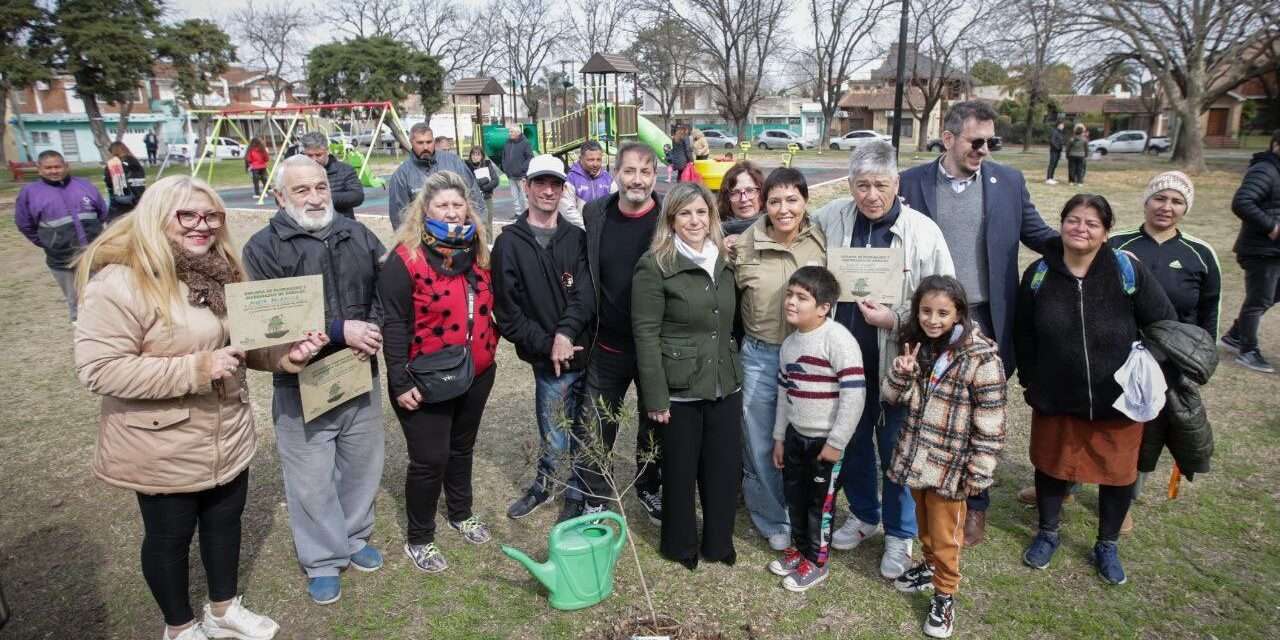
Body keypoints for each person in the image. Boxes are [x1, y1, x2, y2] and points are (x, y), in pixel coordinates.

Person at [73, 174, 328, 640]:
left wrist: (287, 357)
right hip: (160, 442)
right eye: (187, 215)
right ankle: (179, 626)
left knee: (224, 524)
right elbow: (100, 369)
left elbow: (244, 346)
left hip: (225, 429)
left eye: (211, 215)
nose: (202, 226)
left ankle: (223, 609)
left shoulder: (223, 270)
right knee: (169, 540)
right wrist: (196, 368)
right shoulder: (120, 282)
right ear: (156, 217)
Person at [897, 100, 1056, 546]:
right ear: (948, 139)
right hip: (929, 317)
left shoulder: (1008, 181)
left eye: (991, 142)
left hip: (985, 318)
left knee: (980, 417)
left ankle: (976, 508)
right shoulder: (911, 182)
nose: (985, 149)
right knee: (928, 410)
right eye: (975, 141)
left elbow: (1038, 234)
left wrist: (1086, 247)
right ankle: (921, 496)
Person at [240, 155, 387, 606]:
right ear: (280, 197)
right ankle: (323, 559)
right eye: (301, 190)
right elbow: (269, 321)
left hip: (360, 370)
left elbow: (387, 288)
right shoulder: (262, 248)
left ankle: (355, 534)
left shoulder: (356, 232)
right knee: (310, 476)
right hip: (300, 381)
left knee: (362, 462)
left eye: (320, 187)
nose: (315, 197)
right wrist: (343, 329)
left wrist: (373, 330)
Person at [1016, 194, 1175, 586]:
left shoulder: (1125, 269)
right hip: (1057, 395)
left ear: (1105, 232)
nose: (1080, 229)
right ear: (1061, 223)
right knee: (1051, 466)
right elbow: (1023, 332)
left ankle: (1107, 544)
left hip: (1117, 398)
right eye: (1073, 220)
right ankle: (1048, 533)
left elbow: (1164, 322)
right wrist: (1031, 378)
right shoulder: (1038, 273)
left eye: (1091, 223)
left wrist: (1144, 365)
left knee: (1117, 474)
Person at [813, 140, 955, 577]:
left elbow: (947, 302)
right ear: (850, 185)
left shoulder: (923, 232)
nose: (871, 195)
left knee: (898, 450)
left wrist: (895, 319)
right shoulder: (833, 217)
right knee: (852, 442)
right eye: (861, 185)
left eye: (880, 185)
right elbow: (787, 226)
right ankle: (863, 514)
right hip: (845, 361)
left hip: (898, 363)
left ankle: (899, 534)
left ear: (896, 183)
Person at [378, 170, 499, 574]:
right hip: (426, 377)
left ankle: (461, 512)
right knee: (430, 459)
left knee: (461, 449)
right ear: (424, 209)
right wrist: (399, 379)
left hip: (477, 370)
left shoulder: (478, 249)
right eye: (442, 205)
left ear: (468, 208)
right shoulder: (406, 258)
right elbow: (393, 323)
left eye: (457, 204)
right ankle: (420, 537)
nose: (451, 212)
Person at [882, 275, 1007, 639]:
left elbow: (991, 424)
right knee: (924, 523)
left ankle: (944, 596)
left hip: (951, 467)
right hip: (917, 456)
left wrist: (979, 472)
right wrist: (901, 374)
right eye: (925, 311)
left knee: (945, 534)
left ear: (959, 314)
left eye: (942, 313)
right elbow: (893, 397)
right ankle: (929, 566)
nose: (932, 320)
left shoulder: (981, 358)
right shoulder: (918, 346)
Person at [632, 182, 741, 570]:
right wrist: (656, 397)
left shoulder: (725, 260)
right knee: (679, 471)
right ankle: (680, 545)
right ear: (671, 220)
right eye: (685, 213)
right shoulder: (655, 265)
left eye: (701, 212)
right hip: (679, 385)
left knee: (722, 468)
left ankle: (718, 542)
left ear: (711, 216)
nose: (694, 221)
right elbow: (645, 333)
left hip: (724, 380)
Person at [565, 142, 665, 524]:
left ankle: (648, 486)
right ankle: (595, 495)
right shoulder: (596, 213)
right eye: (629, 171)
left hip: (653, 348)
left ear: (654, 176)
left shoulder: (667, 219)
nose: (636, 179)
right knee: (596, 425)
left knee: (653, 423)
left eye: (644, 172)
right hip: (607, 345)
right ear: (615, 174)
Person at [491, 155, 595, 519]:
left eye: (555, 184)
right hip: (548, 360)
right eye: (540, 183)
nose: (548, 191)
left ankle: (577, 492)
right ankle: (545, 485)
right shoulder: (509, 244)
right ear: (527, 187)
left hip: (585, 352)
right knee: (553, 431)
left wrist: (566, 332)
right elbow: (508, 312)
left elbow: (586, 294)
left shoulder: (577, 238)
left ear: (563, 189)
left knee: (587, 428)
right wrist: (548, 343)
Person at [733, 166, 827, 551]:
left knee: (805, 438)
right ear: (763, 203)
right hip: (760, 355)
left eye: (792, 200)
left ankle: (808, 511)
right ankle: (772, 517)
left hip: (810, 353)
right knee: (758, 442)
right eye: (774, 201)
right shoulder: (743, 244)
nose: (783, 209)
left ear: (805, 201)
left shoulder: (823, 237)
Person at [767, 266, 865, 592]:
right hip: (796, 436)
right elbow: (784, 394)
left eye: (802, 298)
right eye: (790, 295)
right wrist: (780, 436)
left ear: (824, 307)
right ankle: (800, 548)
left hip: (825, 441)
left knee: (819, 504)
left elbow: (854, 396)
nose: (791, 302)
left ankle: (817, 561)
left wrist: (836, 442)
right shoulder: (789, 344)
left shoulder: (838, 340)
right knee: (794, 497)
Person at [15, 150, 108, 322]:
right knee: (75, 301)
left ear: (66, 166)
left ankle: (107, 329)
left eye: (57, 166)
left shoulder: (84, 185)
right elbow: (24, 224)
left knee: (103, 295)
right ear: (39, 169)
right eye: (48, 168)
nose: (53, 171)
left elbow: (102, 213)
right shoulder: (30, 193)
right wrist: (49, 241)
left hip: (94, 254)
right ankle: (80, 330)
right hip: (62, 259)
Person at [1221, 129, 1280, 374]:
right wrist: (1272, 227)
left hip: (1274, 250)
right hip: (1261, 250)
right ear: (1276, 144)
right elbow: (1243, 201)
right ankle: (1248, 350)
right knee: (1259, 300)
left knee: (1272, 295)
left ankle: (1236, 334)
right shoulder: (1266, 170)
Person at [387, 123, 485, 229]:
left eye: (429, 142)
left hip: (459, 235)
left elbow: (475, 198)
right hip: (423, 240)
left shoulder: (455, 163)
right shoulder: (401, 176)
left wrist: (476, 230)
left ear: (433, 141)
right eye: (420, 143)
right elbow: (399, 218)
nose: (425, 147)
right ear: (411, 143)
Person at [297, 131, 365, 219]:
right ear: (304, 153)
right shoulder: (297, 173)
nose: (314, 159)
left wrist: (325, 198)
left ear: (327, 151)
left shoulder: (345, 170)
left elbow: (357, 196)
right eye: (309, 155)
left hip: (341, 224)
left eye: (318, 155)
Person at [560, 140, 616, 228]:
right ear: (581, 159)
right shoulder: (571, 179)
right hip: (579, 232)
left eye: (598, 160)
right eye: (591, 160)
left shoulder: (608, 179)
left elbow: (616, 205)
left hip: (604, 231)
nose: (595, 164)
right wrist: (587, 227)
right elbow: (567, 210)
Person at [719, 161, 767, 247]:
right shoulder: (714, 232)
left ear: (762, 192)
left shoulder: (776, 228)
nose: (743, 199)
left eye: (750, 190)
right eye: (735, 192)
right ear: (726, 198)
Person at [104, 141, 147, 222]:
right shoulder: (136, 162)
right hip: (139, 197)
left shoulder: (114, 163)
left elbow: (109, 182)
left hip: (122, 200)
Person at [464, 146, 501, 229]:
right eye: (473, 154)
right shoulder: (466, 166)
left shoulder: (487, 164)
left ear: (482, 156)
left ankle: (489, 242)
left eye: (478, 154)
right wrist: (485, 180)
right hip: (473, 200)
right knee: (475, 224)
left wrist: (484, 188)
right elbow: (469, 183)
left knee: (488, 223)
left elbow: (495, 180)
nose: (475, 157)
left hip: (487, 197)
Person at [502, 124, 535, 218]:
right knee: (514, 196)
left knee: (525, 196)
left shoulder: (525, 143)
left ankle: (528, 214)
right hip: (510, 175)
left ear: (517, 132)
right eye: (509, 131)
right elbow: (504, 157)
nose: (509, 133)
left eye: (511, 132)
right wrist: (505, 168)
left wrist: (522, 169)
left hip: (521, 176)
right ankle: (518, 213)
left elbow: (530, 157)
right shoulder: (507, 143)